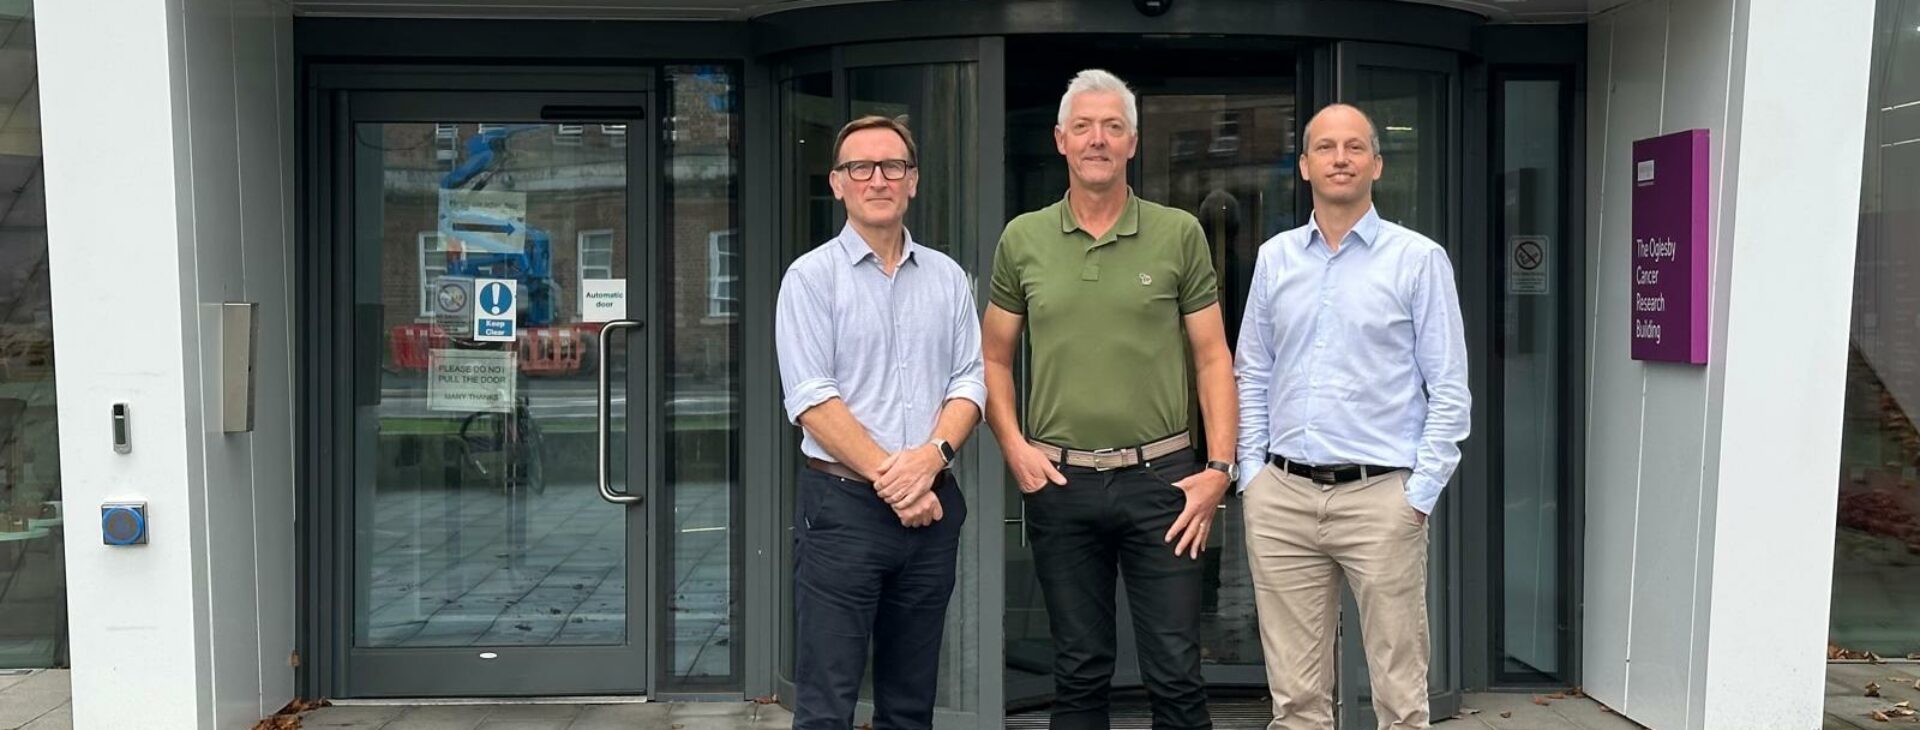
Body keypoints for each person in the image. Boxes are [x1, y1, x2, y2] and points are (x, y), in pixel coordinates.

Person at [982, 68, 1237, 730]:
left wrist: (1218, 470)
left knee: (1177, 673)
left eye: (1113, 127)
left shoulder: (1179, 233)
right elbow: (993, 358)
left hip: (1165, 484)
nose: (1098, 139)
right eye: (1085, 127)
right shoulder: (1023, 239)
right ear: (1060, 139)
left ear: (1133, 142)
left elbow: (1213, 357)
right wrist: (1014, 447)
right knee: (1079, 671)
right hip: (1060, 483)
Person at [1233, 103, 1471, 730]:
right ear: (1305, 165)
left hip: (1381, 500)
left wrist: (1417, 495)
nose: (1341, 158)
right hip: (1282, 497)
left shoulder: (1418, 260)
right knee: (1296, 701)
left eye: (1355, 147)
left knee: (1400, 697)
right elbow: (1251, 372)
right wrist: (1252, 477)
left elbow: (1449, 389)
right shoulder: (1275, 259)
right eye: (1326, 148)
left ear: (1377, 164)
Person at [775, 115, 986, 730]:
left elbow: (969, 382)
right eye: (859, 167)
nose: (877, 179)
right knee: (826, 705)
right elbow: (812, 398)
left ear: (913, 181)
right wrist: (896, 482)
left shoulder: (947, 278)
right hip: (842, 512)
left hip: (932, 511)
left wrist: (931, 460)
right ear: (837, 184)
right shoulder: (810, 279)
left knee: (910, 704)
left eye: (892, 166)